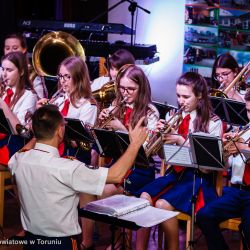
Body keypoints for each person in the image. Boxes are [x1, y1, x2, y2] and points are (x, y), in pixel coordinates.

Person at [8, 104, 147, 250]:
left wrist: (39, 131)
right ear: (59, 131)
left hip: (31, 242)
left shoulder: (18, 159)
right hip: (60, 244)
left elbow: (25, 150)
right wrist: (135, 144)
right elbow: (116, 176)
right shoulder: (67, 167)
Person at [135, 72, 223, 250]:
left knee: (161, 204)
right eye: (178, 96)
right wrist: (159, 140)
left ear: (199, 96)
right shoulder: (173, 117)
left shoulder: (213, 123)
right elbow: (164, 157)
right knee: (144, 198)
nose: (180, 101)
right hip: (175, 175)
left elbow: (207, 167)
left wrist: (180, 140)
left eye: (186, 96)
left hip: (197, 179)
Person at [81, 64, 159, 249]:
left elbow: (145, 151)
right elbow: (105, 147)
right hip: (118, 165)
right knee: (84, 187)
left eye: (130, 89)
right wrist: (102, 126)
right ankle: (87, 241)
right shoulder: (116, 105)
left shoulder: (150, 112)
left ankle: (119, 239)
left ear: (141, 88)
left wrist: (120, 128)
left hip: (140, 170)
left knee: (103, 192)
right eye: (122, 88)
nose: (125, 93)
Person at [196, 90, 250, 250]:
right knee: (204, 216)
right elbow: (225, 167)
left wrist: (243, 148)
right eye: (248, 111)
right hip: (237, 191)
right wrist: (223, 151)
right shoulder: (245, 131)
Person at [38, 56, 98, 163]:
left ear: (79, 78)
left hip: (75, 157)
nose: (62, 81)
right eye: (60, 76)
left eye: (67, 77)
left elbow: (78, 142)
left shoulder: (88, 105)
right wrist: (41, 113)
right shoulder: (58, 100)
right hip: (55, 152)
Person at [0, 51, 38, 165]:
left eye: (9, 70)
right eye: (3, 69)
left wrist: (2, 103)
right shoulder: (4, 92)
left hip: (13, 146)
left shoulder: (29, 96)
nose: (4, 74)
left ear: (21, 72)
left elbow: (19, 130)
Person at [3, 33, 48, 99]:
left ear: (24, 49)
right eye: (7, 48)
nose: (10, 51)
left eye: (15, 48)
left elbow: (41, 102)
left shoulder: (34, 74)